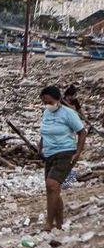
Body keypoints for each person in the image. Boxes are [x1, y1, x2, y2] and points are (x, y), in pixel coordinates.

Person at [38, 86, 87, 231]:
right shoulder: (46, 113)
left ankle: (49, 223)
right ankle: (59, 224)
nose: (47, 105)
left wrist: (77, 153)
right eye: (45, 102)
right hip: (49, 153)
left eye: (49, 102)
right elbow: (44, 131)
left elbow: (82, 132)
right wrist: (40, 146)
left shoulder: (69, 113)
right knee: (53, 189)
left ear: (58, 100)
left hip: (66, 152)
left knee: (52, 184)